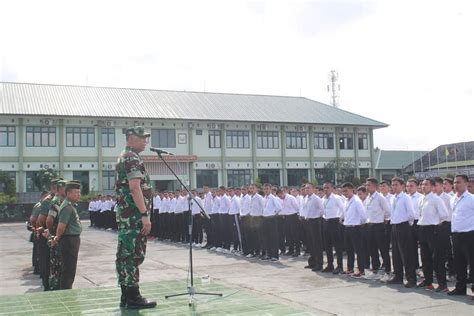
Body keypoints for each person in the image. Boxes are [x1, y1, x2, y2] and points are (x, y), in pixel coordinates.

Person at [115, 126, 156, 309]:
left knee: (125, 255)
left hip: (127, 216)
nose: (145, 141)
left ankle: (126, 294)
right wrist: (144, 215)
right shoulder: (132, 157)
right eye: (141, 138)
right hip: (133, 217)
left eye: (146, 138)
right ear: (130, 138)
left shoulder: (124, 155)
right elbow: (134, 188)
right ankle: (133, 297)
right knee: (133, 255)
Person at [416, 178, 449, 292]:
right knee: (425, 258)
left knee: (437, 258)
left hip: (433, 229)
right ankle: (428, 281)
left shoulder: (436, 199)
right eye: (422, 184)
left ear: (433, 186)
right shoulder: (421, 199)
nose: (423, 186)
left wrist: (435, 226)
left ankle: (442, 284)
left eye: (426, 184)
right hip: (422, 229)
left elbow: (444, 215)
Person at [50, 180, 82, 290]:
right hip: (69, 241)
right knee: (68, 270)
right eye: (76, 193)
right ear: (68, 193)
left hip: (71, 239)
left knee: (69, 269)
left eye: (79, 192)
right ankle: (65, 292)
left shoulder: (70, 205)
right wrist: (57, 238)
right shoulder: (67, 207)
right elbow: (61, 225)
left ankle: (66, 289)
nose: (79, 195)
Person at [448, 174, 474, 297]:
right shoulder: (453, 199)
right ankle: (460, 288)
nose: (455, 185)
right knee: (459, 263)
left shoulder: (471, 198)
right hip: (456, 234)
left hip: (469, 235)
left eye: (458, 182)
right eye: (454, 182)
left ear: (466, 184)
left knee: (472, 263)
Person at [388, 177, 417, 288]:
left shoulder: (405, 198)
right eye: (393, 185)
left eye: (396, 185)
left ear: (402, 186)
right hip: (394, 226)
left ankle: (411, 279)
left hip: (404, 226)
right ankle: (398, 276)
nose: (394, 187)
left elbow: (411, 214)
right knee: (396, 254)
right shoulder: (393, 198)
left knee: (406, 254)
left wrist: (407, 226)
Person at [364, 178, 391, 282]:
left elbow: (388, 211)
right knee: (372, 249)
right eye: (366, 185)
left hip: (379, 226)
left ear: (375, 186)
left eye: (369, 185)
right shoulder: (368, 198)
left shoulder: (380, 197)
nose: (367, 187)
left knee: (383, 249)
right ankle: (375, 270)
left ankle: (388, 271)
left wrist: (384, 221)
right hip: (370, 225)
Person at [341, 183, 367, 278]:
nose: (345, 193)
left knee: (358, 250)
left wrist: (358, 224)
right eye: (343, 191)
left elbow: (363, 216)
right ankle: (350, 267)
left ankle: (361, 270)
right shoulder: (346, 201)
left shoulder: (356, 201)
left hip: (355, 228)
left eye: (346, 191)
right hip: (347, 227)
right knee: (349, 250)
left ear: (352, 190)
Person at [46, 179, 67, 291]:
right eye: (65, 188)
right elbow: (49, 220)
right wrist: (53, 232)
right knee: (56, 264)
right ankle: (54, 287)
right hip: (57, 238)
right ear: (60, 189)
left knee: (62, 264)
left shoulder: (64, 200)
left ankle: (58, 285)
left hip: (63, 238)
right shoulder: (56, 201)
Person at [322, 182, 344, 274]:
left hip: (335, 222)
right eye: (324, 188)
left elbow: (343, 209)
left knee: (337, 246)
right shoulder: (323, 199)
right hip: (326, 222)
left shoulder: (336, 198)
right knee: (327, 246)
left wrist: (340, 219)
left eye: (327, 187)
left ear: (332, 188)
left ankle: (340, 266)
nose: (326, 189)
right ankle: (330, 265)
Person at [302, 183, 324, 272]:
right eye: (305, 188)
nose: (307, 190)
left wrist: (317, 217)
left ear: (313, 189)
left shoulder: (316, 198)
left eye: (308, 188)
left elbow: (322, 210)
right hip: (308, 221)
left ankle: (319, 264)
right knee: (310, 243)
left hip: (315, 221)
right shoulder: (306, 198)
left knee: (317, 244)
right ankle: (312, 262)